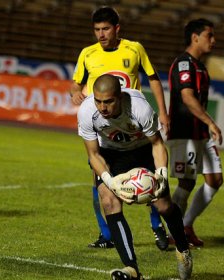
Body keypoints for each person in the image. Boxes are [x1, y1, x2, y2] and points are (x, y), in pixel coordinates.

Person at [70, 6, 170, 250]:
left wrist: (163, 111)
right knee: (101, 183)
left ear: (117, 29)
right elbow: (76, 84)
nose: (101, 34)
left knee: (151, 180)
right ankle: (108, 234)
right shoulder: (87, 54)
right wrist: (76, 94)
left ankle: (158, 228)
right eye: (96, 30)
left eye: (105, 29)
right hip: (104, 131)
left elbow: (153, 78)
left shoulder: (134, 49)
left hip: (134, 128)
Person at [77, 74, 192, 280]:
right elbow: (93, 154)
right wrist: (110, 182)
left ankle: (183, 249)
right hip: (109, 153)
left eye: (109, 101)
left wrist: (162, 174)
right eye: (99, 101)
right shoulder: (86, 111)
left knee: (164, 206)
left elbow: (157, 144)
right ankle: (131, 268)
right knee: (109, 202)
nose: (102, 107)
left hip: (142, 150)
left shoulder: (139, 107)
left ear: (119, 96)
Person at [167, 18, 223, 247]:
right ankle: (172, 233)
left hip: (200, 133)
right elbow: (187, 97)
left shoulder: (201, 66)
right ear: (195, 37)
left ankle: (186, 225)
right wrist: (210, 122)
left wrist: (206, 126)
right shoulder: (184, 63)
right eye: (209, 35)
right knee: (186, 183)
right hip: (185, 133)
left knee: (215, 179)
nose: (213, 40)